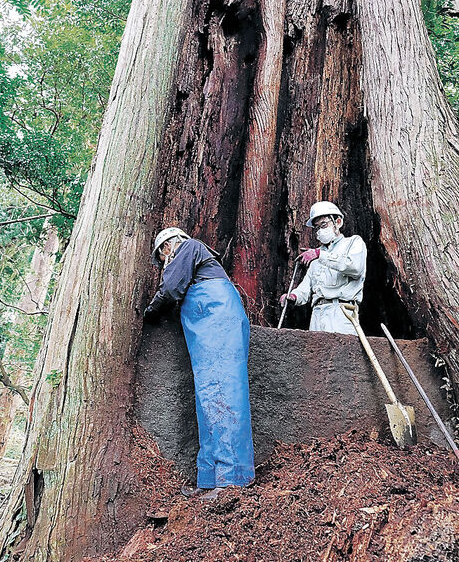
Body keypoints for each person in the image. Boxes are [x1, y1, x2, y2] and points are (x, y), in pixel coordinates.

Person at [144, 227, 255, 501]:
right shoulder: (191, 258)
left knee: (224, 395)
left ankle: (232, 480)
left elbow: (170, 287)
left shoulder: (190, 247)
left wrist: (152, 309)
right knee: (207, 399)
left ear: (171, 244)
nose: (164, 259)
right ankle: (209, 479)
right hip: (207, 327)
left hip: (218, 320)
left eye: (163, 253)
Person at [280, 202, 367, 335]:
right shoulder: (316, 255)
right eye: (317, 228)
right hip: (317, 314)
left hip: (342, 312)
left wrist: (320, 255)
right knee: (315, 355)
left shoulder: (353, 243)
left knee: (341, 354)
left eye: (324, 225)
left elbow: (355, 268)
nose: (320, 231)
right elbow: (307, 286)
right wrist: (294, 296)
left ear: (338, 222)